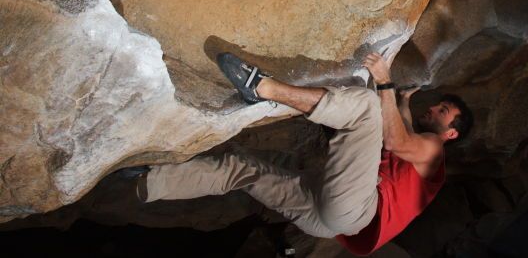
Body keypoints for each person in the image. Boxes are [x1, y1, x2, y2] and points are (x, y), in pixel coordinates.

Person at [132, 51, 473, 255]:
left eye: (443, 111)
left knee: (367, 107)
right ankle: (148, 181)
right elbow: (407, 131)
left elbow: (397, 141)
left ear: (451, 133)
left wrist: (384, 81)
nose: (436, 109)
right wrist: (404, 102)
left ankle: (264, 88)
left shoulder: (434, 152)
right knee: (241, 169)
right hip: (328, 222)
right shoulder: (425, 154)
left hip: (355, 210)